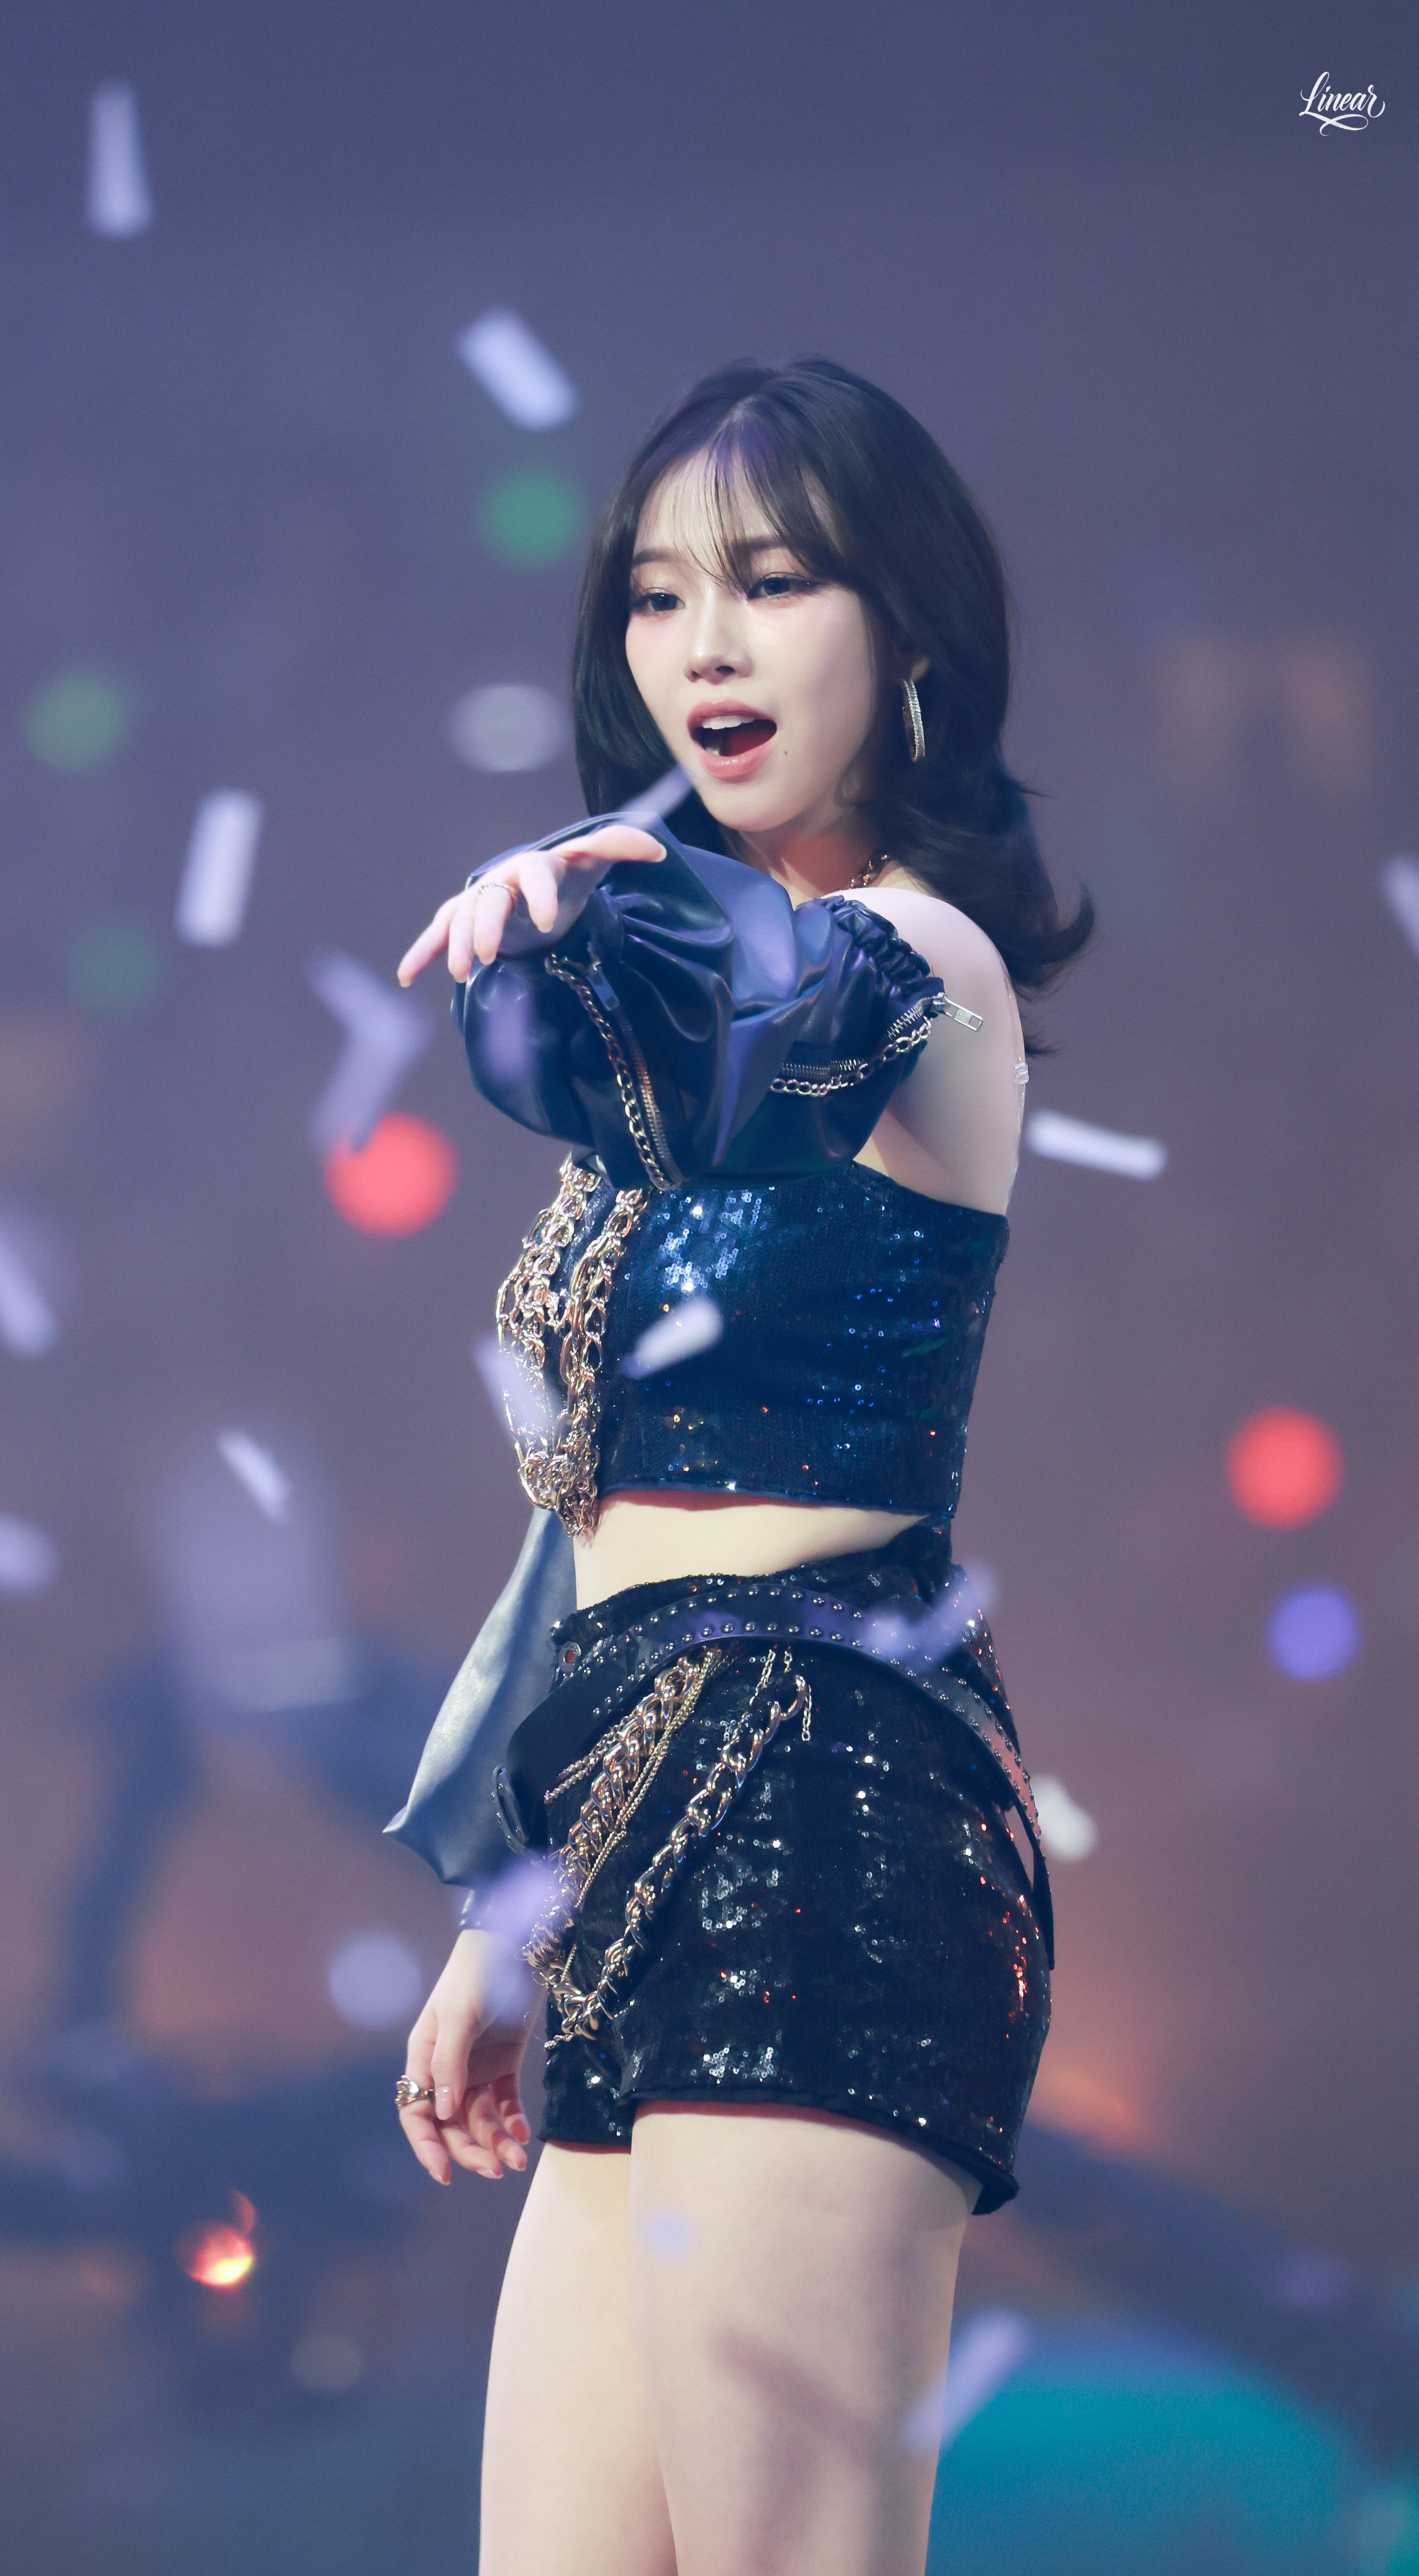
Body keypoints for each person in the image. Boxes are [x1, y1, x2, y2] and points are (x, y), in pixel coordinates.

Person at [388, 357, 1090, 2576]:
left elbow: (729, 1060)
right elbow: (592, 1527)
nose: (704, 645)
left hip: (827, 1803)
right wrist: (513, 1905)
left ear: (908, 633)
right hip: (621, 1822)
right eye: (659, 593)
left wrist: (580, 926)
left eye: (774, 583)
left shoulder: (920, 966)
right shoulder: (676, 999)